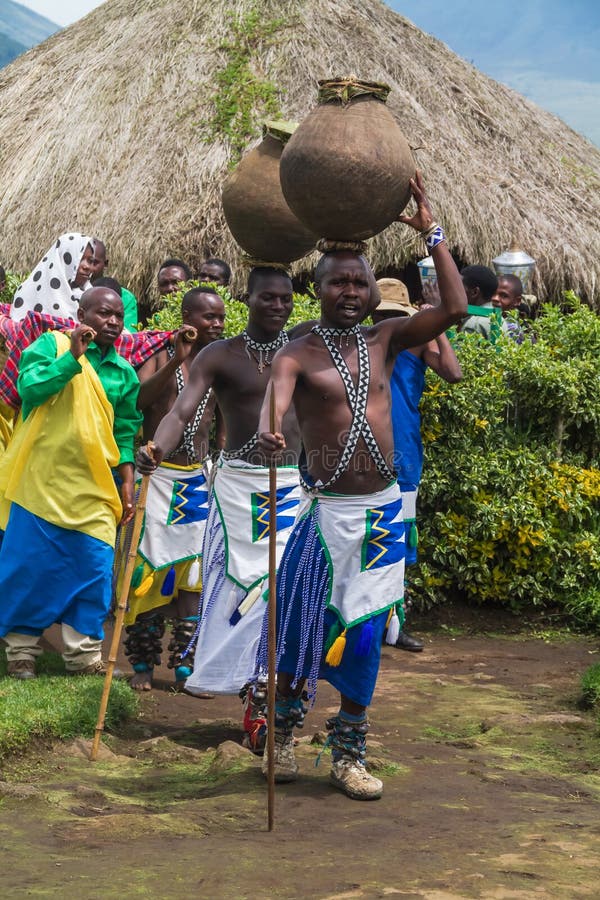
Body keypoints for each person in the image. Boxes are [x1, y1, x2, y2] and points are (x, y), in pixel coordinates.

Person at [256, 172, 467, 799]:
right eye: (337, 281)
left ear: (374, 290)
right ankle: (285, 731)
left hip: (379, 516)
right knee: (304, 628)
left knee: (369, 631)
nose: (350, 291)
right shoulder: (298, 352)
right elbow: (278, 399)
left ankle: (349, 750)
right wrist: (272, 433)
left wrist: (433, 233)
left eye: (359, 281)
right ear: (315, 289)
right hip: (324, 514)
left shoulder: (386, 339)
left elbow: (454, 310)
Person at [136, 267, 305, 750]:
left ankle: (270, 704)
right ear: (246, 299)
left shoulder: (303, 349)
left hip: (292, 484)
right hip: (234, 488)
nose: (277, 306)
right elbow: (181, 411)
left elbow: (370, 301)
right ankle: (253, 696)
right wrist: (157, 449)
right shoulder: (220, 354)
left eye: (286, 298)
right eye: (267, 298)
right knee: (240, 594)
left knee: (281, 593)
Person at [0, 287, 141, 678]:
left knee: (94, 569)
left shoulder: (124, 372)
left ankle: (83, 656)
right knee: (28, 568)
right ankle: (21, 652)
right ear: (82, 314)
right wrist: (73, 358)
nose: (112, 322)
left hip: (95, 487)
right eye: (103, 314)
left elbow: (125, 432)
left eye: (118, 316)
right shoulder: (51, 345)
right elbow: (29, 388)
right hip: (39, 481)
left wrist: (127, 484)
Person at [122, 287, 225, 691]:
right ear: (186, 317)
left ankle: (185, 662)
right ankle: (143, 664)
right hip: (157, 478)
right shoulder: (160, 354)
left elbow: (222, 420)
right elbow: (139, 400)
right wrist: (176, 362)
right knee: (146, 569)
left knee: (193, 575)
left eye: (220, 318)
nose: (216, 324)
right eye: (207, 317)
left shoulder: (218, 364)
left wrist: (220, 460)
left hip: (197, 480)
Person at [372, 278, 462, 652]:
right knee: (365, 536)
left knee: (398, 541)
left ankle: (395, 625)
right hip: (363, 450)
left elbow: (453, 373)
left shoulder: (418, 342)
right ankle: (362, 624)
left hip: (404, 451)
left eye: (396, 316)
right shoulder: (364, 343)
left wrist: (435, 328)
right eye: (383, 316)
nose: (390, 324)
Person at [10, 233, 94, 322]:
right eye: (79, 259)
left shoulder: (91, 296)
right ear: (62, 257)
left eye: (90, 261)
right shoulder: (27, 293)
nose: (87, 266)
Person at [90, 239, 139, 331]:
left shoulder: (125, 297)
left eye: (94, 262)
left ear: (105, 264)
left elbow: (128, 335)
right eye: (82, 261)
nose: (88, 267)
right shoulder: (68, 293)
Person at [458, 265, 503, 341]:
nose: (455, 291)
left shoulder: (473, 324)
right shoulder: (500, 319)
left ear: (474, 292)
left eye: (459, 287)